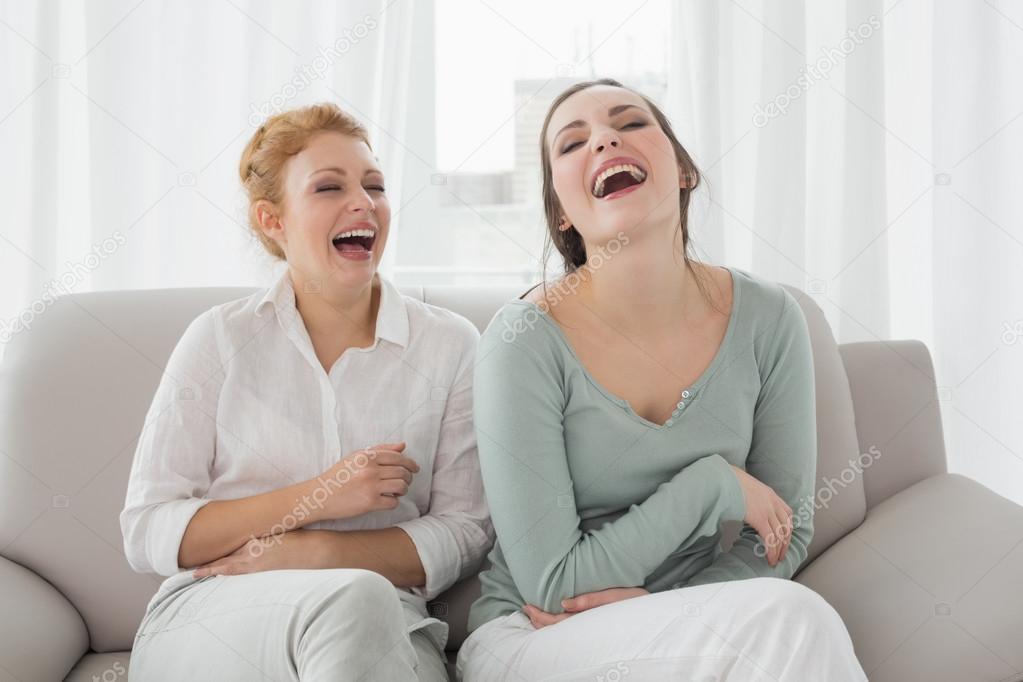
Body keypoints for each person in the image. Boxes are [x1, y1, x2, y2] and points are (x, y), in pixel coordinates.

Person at [457, 78, 868, 681]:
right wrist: (711, 485)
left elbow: (785, 531)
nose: (604, 139)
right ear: (562, 216)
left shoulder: (769, 318)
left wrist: (678, 608)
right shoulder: (522, 340)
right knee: (793, 622)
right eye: (572, 143)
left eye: (629, 122)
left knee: (786, 622)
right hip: (531, 634)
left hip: (691, 622)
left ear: (683, 171)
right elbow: (553, 584)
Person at [120, 102, 493, 681]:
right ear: (273, 220)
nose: (364, 203)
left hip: (384, 620)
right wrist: (320, 496)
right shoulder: (219, 339)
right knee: (357, 599)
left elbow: (466, 529)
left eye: (375, 185)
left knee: (360, 600)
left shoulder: (450, 344)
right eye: (329, 187)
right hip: (213, 615)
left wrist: (311, 553)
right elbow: (148, 530)